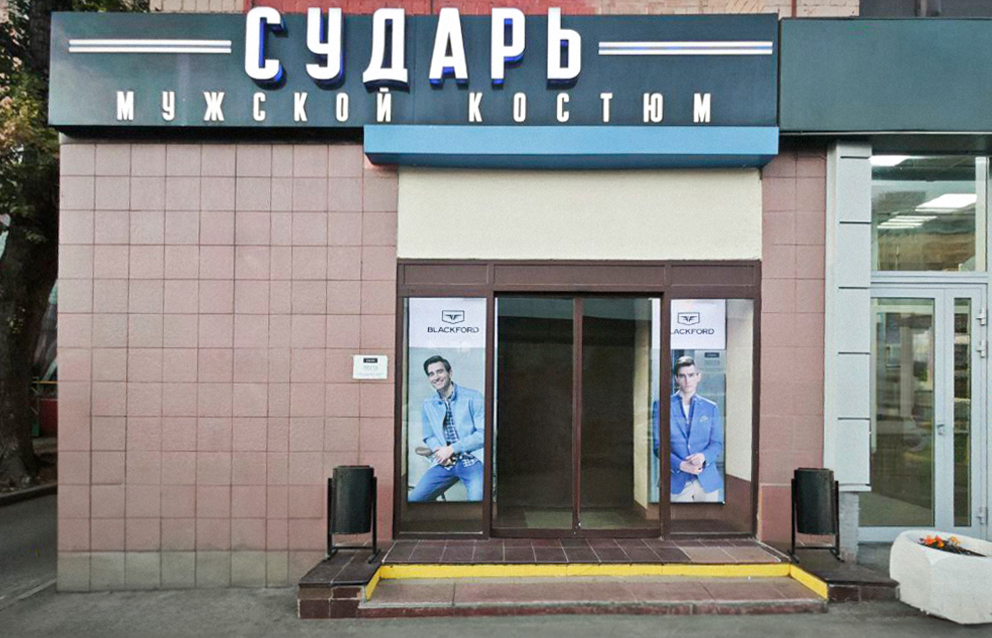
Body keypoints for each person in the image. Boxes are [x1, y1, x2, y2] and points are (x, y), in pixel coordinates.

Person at [408, 355, 485, 502]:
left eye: (440, 371)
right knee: (414, 500)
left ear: (450, 373)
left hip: (472, 461)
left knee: (478, 503)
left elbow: (484, 434)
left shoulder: (473, 397)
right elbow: (428, 436)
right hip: (444, 463)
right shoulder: (428, 404)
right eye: (431, 374)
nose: (436, 377)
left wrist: (452, 449)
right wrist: (439, 451)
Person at [653, 355, 724, 502]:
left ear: (698, 377)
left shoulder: (711, 408)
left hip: (706, 481)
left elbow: (716, 444)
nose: (687, 381)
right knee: (677, 518)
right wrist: (681, 465)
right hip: (676, 480)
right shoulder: (662, 406)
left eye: (691, 375)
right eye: (682, 376)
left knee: (708, 518)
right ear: (676, 378)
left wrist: (703, 457)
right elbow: (658, 446)